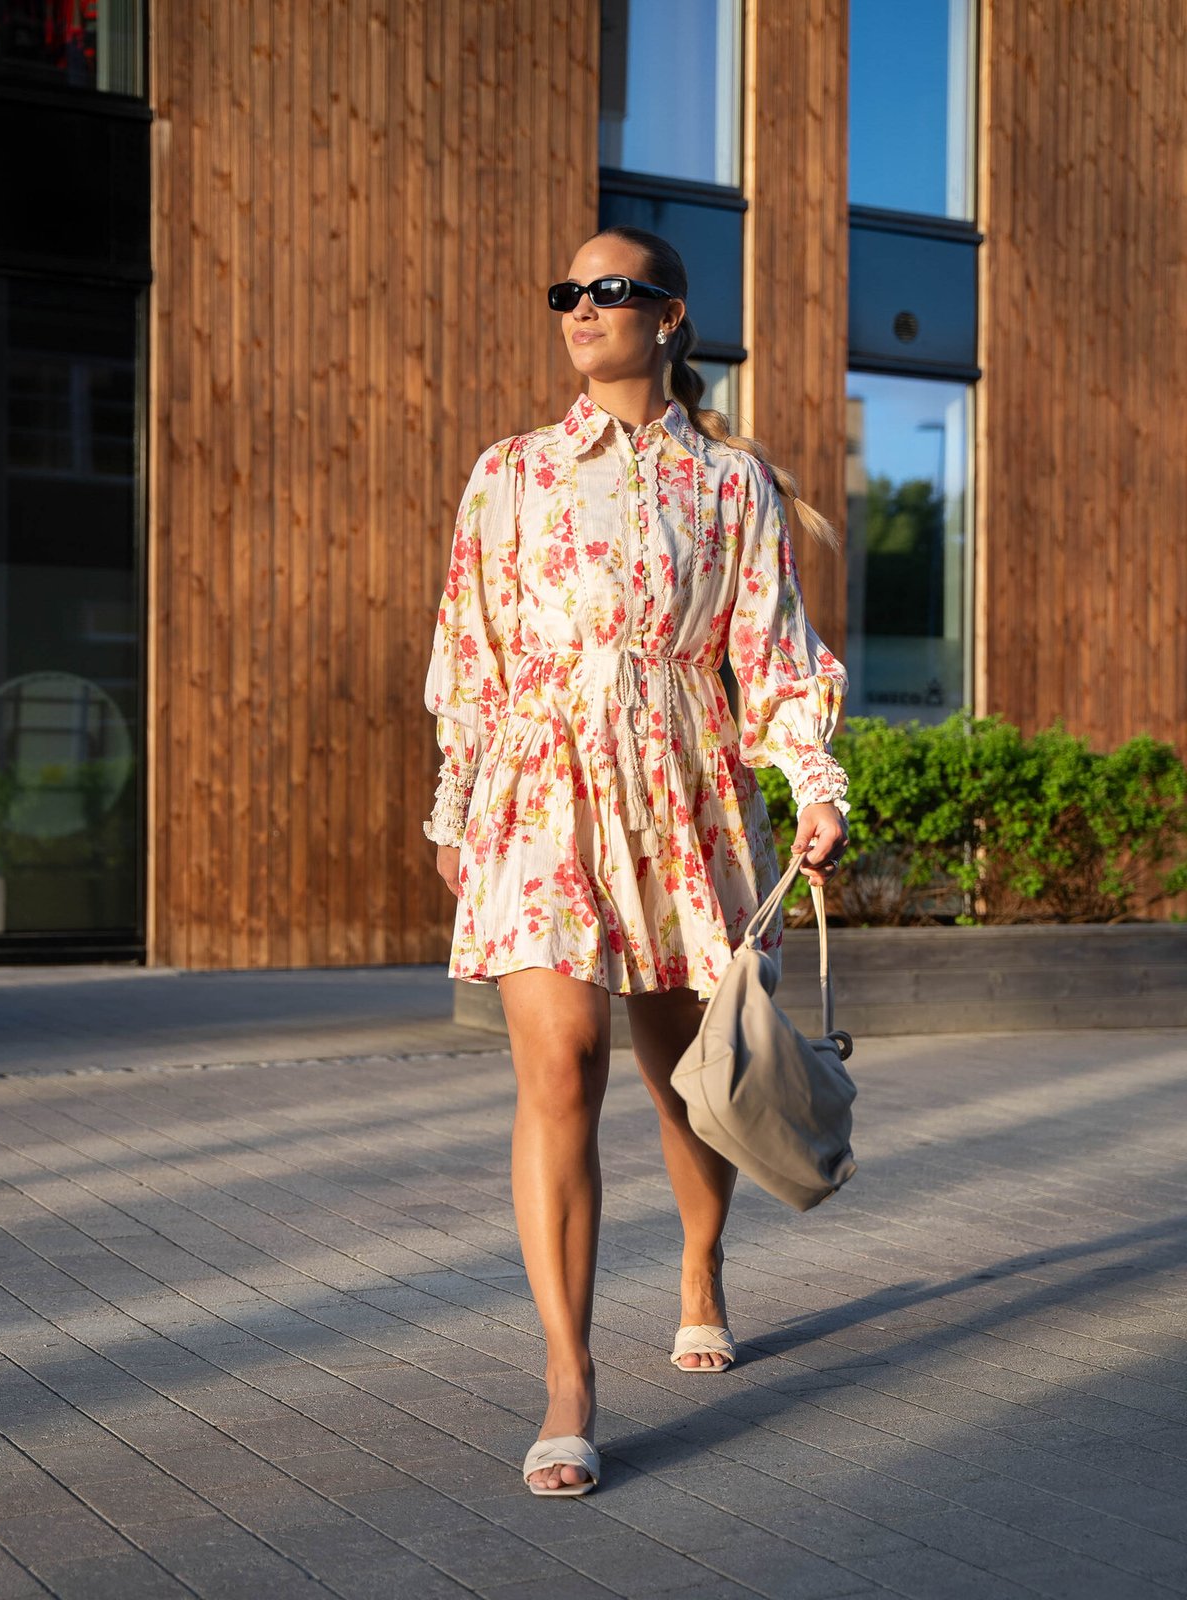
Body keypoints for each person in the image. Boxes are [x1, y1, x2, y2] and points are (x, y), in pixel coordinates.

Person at [422, 226, 849, 1496]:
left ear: (669, 317)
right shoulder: (508, 474)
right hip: (539, 789)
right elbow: (474, 652)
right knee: (559, 1061)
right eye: (568, 290)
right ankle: (569, 1376)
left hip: (681, 790)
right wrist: (459, 808)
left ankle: (703, 1265)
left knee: (683, 1074)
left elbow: (773, 658)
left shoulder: (730, 485)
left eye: (611, 289)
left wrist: (814, 786)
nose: (582, 307)